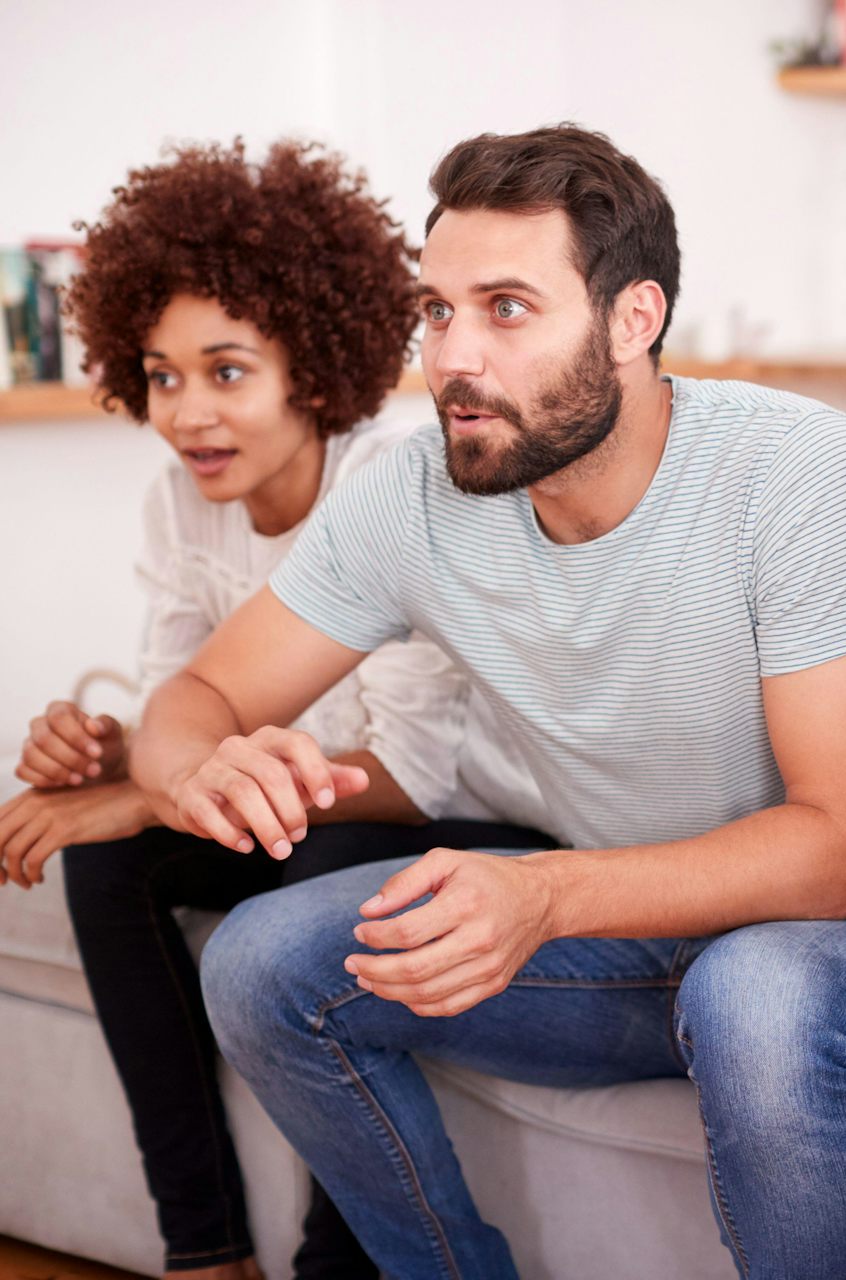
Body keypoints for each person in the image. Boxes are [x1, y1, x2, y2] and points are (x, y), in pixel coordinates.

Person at [128, 123, 846, 1280]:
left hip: (845, 948)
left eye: (507, 308)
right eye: (438, 311)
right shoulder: (416, 493)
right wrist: (197, 765)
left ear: (635, 319)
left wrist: (544, 890)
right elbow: (201, 691)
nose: (454, 357)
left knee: (756, 988)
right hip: (622, 946)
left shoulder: (798, 470)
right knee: (264, 963)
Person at [0, 140, 548, 1280]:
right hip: (305, 806)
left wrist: (162, 786)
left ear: (312, 361)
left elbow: (421, 770)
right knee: (111, 865)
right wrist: (119, 761)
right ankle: (203, 1246)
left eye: (227, 371)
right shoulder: (177, 505)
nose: (188, 413)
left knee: (324, 866)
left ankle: (331, 1264)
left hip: (458, 815)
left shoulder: (397, 485)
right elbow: (177, 704)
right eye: (160, 374)